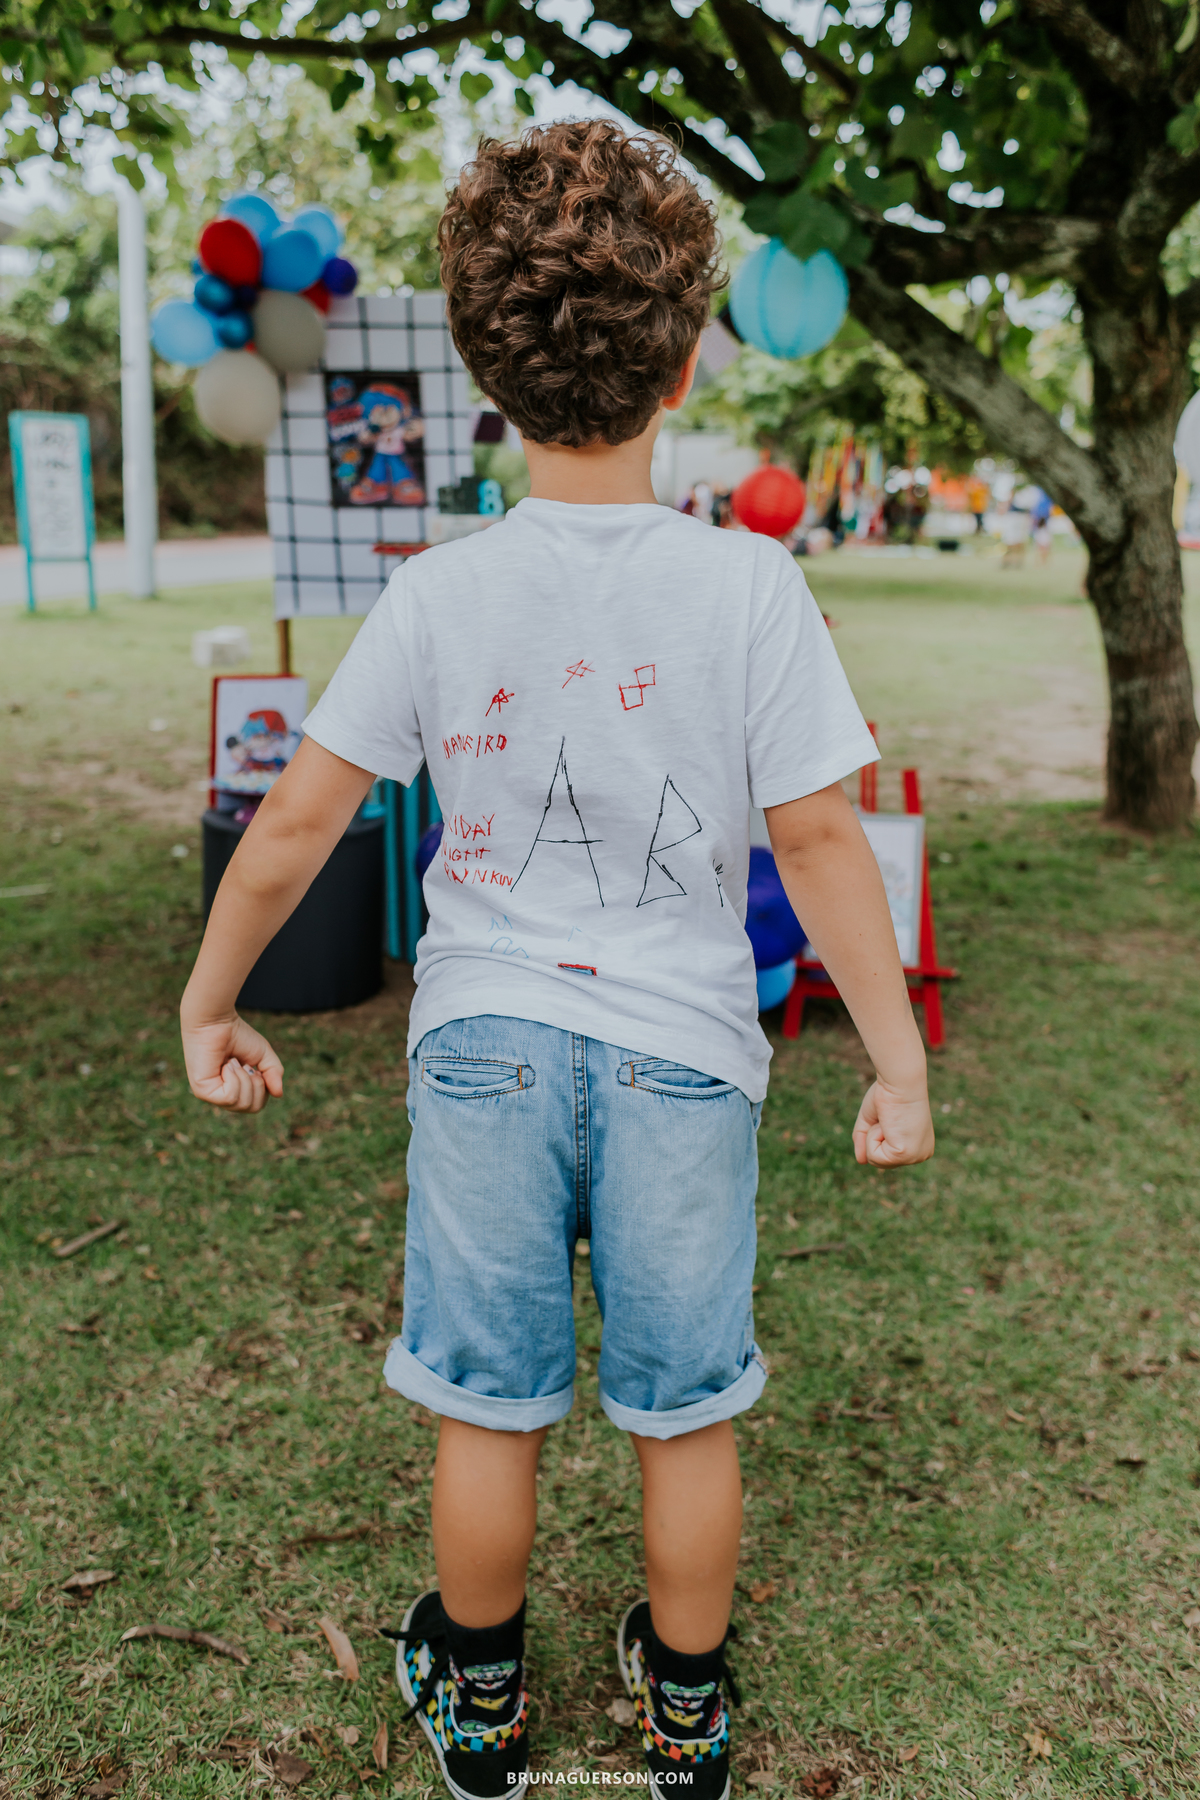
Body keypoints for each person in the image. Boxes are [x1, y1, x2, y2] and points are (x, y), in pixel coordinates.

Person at [179, 122, 935, 1800]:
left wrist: (210, 992)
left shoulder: (440, 591)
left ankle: (484, 1708)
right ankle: (682, 1713)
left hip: (483, 1056)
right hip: (684, 1061)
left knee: (487, 1408)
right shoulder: (753, 588)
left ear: (482, 371)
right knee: (687, 1412)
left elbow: (298, 826)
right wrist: (895, 1057)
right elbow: (817, 843)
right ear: (683, 366)